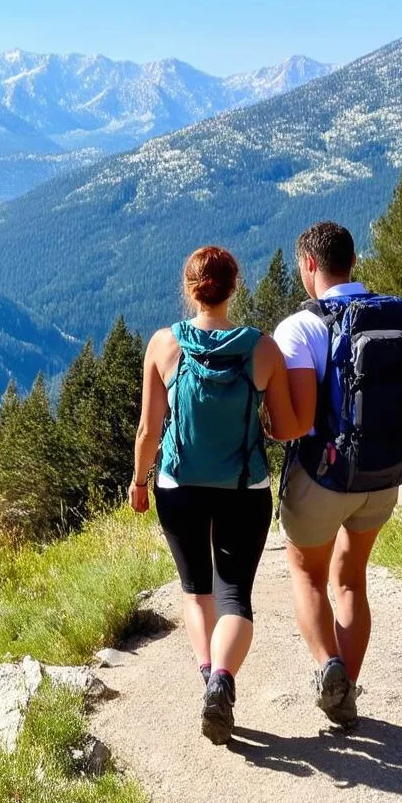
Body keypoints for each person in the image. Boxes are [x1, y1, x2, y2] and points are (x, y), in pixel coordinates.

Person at [130, 245, 308, 745]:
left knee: (195, 591)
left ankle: (208, 674)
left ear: (189, 289)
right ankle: (224, 681)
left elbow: (149, 430)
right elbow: (284, 428)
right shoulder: (262, 349)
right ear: (235, 288)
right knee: (235, 597)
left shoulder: (164, 345)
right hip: (243, 488)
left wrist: (140, 482)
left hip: (179, 486)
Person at [273, 221, 402, 729]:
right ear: (353, 262)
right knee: (352, 579)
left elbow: (297, 420)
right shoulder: (401, 319)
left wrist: (268, 427)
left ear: (309, 265)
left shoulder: (300, 328)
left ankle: (328, 667)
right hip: (385, 475)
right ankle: (346, 693)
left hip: (324, 477)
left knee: (306, 572)